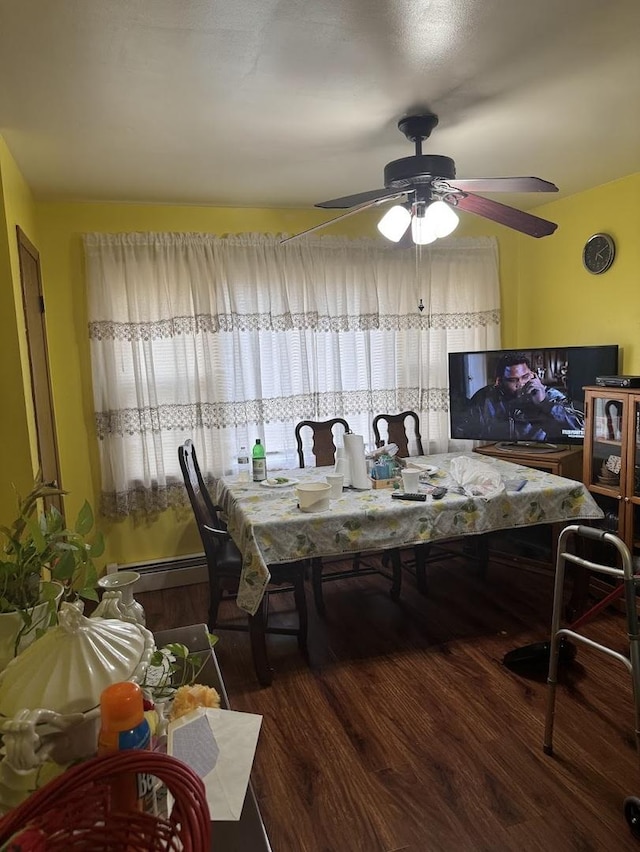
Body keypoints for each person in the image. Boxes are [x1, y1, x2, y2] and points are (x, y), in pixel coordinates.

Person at [453, 351, 584, 442]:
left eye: (525, 377)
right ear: (499, 381)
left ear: (533, 375)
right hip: (497, 454)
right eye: (512, 380)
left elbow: (580, 428)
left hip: (541, 454)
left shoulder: (550, 395)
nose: (521, 384)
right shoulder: (485, 397)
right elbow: (464, 428)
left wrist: (544, 403)